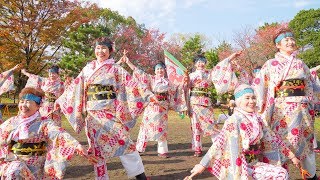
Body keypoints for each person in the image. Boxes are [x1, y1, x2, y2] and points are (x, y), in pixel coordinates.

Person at [55, 37, 153, 179]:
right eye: (98, 48)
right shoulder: (87, 69)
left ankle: (140, 176)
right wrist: (61, 100)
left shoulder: (116, 69)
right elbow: (74, 87)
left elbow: (132, 84)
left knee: (125, 142)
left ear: (110, 51)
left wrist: (148, 95)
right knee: (96, 151)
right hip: (92, 116)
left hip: (109, 114)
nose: (100, 51)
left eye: (104, 48)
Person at [185, 84, 299, 180]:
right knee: (280, 175)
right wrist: (202, 165)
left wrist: (292, 156)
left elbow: (273, 139)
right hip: (239, 165)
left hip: (255, 163)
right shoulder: (233, 120)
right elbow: (218, 143)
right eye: (247, 98)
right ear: (239, 101)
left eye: (253, 98)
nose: (251, 101)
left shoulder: (258, 119)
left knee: (281, 173)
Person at [253, 28, 318, 179]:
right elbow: (259, 85)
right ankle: (279, 174)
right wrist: (259, 107)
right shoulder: (270, 64)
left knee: (305, 142)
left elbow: (309, 85)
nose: (290, 42)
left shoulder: (301, 63)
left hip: (302, 109)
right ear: (278, 45)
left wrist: (309, 102)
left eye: (292, 39)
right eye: (286, 40)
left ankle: (311, 174)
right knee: (281, 142)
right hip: (281, 110)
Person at [0, 87, 92, 179]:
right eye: (22, 101)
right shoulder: (11, 122)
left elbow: (58, 133)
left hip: (35, 167)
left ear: (38, 105)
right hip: (13, 162)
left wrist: (76, 145)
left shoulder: (44, 123)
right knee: (14, 170)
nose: (23, 105)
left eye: (28, 102)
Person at [122, 58, 187, 158]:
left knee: (162, 128)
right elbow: (139, 73)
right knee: (145, 128)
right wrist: (128, 62)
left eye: (161, 69)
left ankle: (162, 151)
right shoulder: (150, 79)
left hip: (163, 108)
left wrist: (183, 82)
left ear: (164, 70)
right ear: (154, 70)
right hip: (152, 106)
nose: (160, 71)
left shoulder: (169, 82)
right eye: (157, 69)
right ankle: (139, 148)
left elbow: (177, 89)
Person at [186, 52, 242, 157]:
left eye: (202, 62)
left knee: (211, 125)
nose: (200, 64)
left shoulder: (210, 74)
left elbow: (221, 67)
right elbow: (186, 88)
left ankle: (218, 146)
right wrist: (186, 80)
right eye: (198, 62)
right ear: (194, 64)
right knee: (196, 125)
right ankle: (197, 148)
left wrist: (232, 56)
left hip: (206, 102)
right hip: (194, 103)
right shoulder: (191, 75)